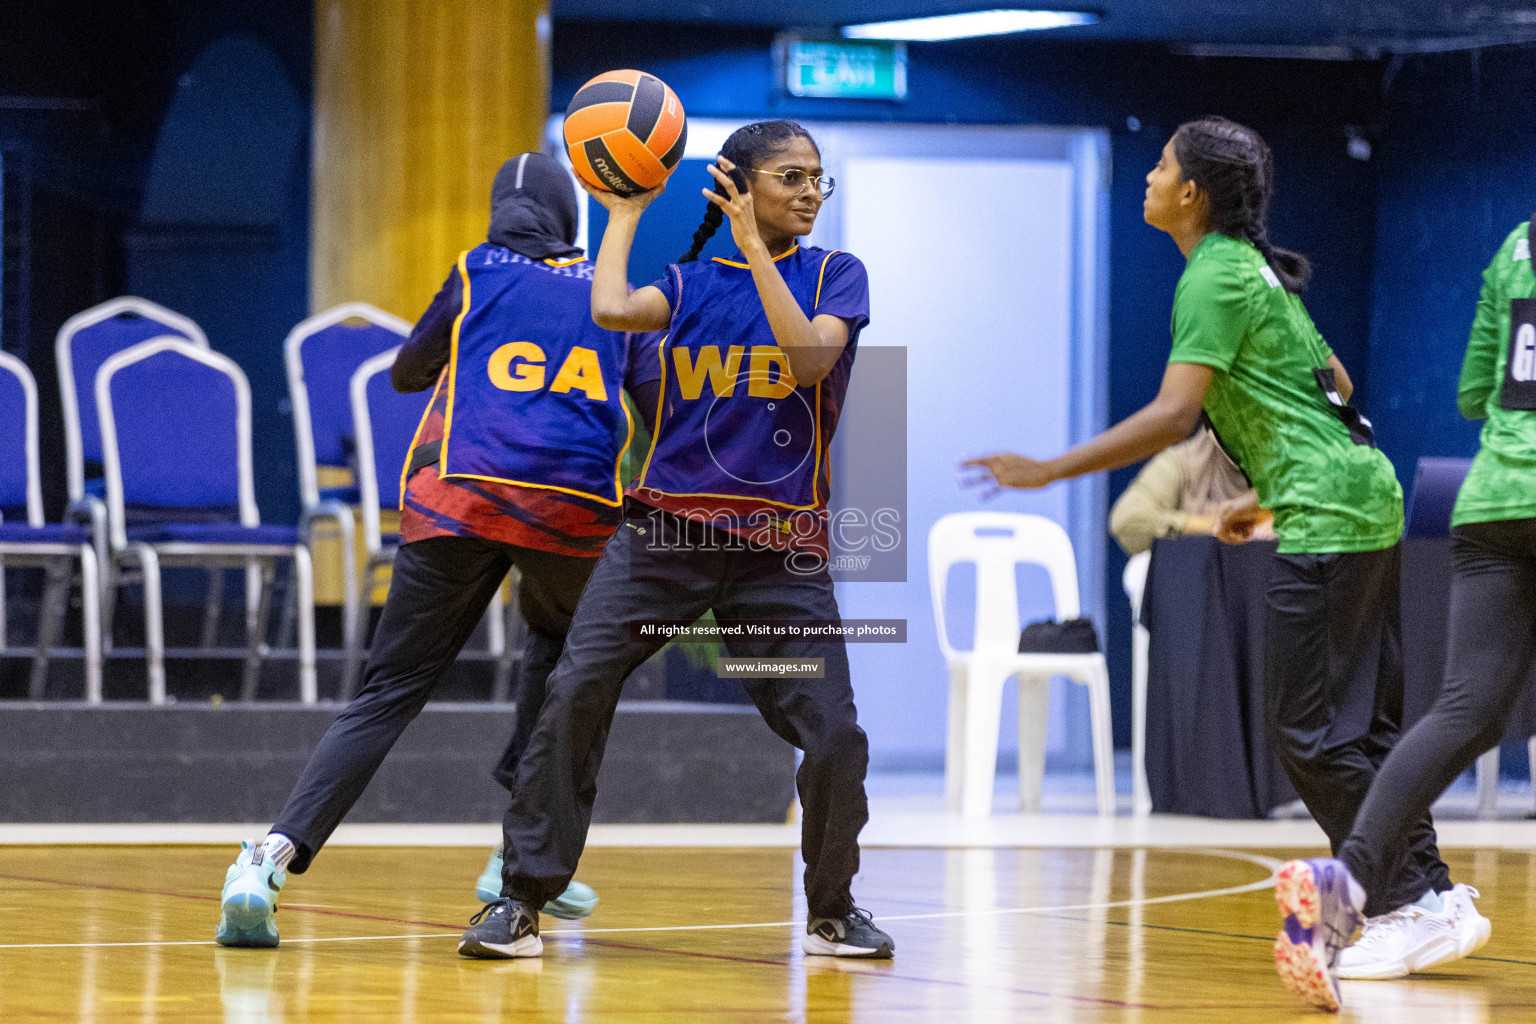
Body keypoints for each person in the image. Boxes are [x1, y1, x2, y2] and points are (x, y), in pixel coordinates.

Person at [962, 117, 1482, 1012]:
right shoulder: (1254, 270)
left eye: (1163, 166)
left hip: (1327, 511)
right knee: (1359, 732)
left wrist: (1047, 469)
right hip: (1363, 493)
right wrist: (1264, 492)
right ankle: (1428, 898)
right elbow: (1339, 387)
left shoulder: (1214, 274)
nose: (1152, 177)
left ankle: (1412, 901)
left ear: (1192, 193)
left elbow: (1173, 417)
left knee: (1307, 733)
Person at [457, 120, 894, 961]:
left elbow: (805, 359)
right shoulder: (688, 286)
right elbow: (613, 306)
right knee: (576, 690)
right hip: (665, 543)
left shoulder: (837, 275)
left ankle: (833, 906)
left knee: (833, 733)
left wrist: (756, 253)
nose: (811, 193)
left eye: (818, 180)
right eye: (793, 178)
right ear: (739, 186)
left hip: (777, 559)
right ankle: (519, 901)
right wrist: (624, 209)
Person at [215, 152, 659, 947]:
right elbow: (658, 404)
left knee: (387, 695)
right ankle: (514, 856)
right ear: (568, 218)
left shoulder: (475, 271)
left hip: (458, 498)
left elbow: (406, 375)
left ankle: (268, 861)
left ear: (499, 215)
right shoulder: (609, 292)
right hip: (572, 510)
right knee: (562, 653)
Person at [1288, 215, 1536, 988]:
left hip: (1493, 500)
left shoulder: (1517, 244)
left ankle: (1345, 890)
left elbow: (1471, 393)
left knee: (1465, 712)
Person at [1107, 424, 1269, 555]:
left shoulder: (1290, 466)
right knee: (1139, 570)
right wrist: (1217, 526)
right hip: (1206, 586)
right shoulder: (1186, 461)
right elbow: (1127, 520)